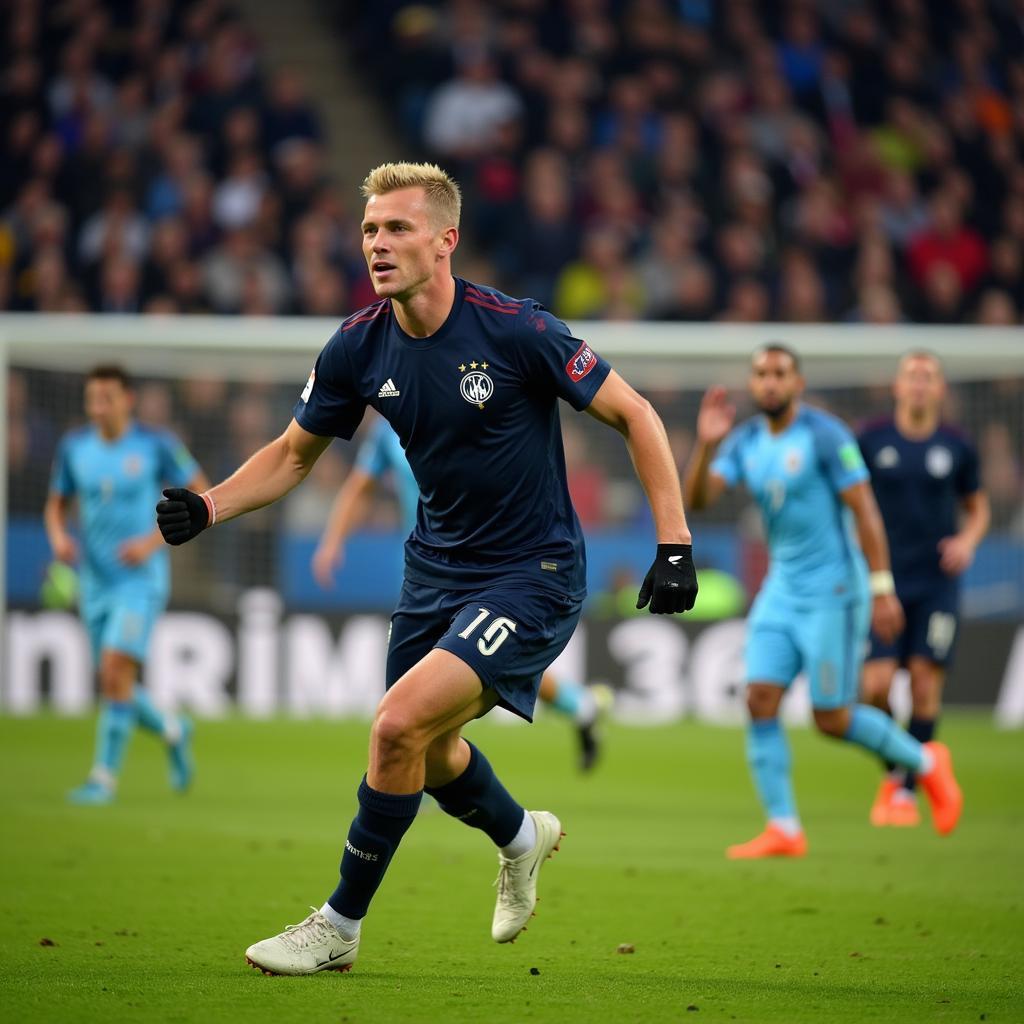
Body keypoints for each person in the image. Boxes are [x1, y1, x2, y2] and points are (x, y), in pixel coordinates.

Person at [156, 161, 698, 975]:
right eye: (370, 229)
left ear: (445, 241)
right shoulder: (355, 345)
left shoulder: (516, 328)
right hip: (434, 573)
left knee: (394, 727)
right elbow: (294, 455)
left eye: (397, 228)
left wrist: (674, 543)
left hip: (533, 571)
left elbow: (637, 413)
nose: (377, 243)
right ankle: (523, 836)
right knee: (426, 753)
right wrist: (209, 505)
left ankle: (338, 926)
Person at [683, 344, 962, 859]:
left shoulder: (825, 435)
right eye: (761, 374)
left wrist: (880, 588)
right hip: (781, 590)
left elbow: (866, 511)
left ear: (798, 383)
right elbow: (697, 500)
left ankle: (925, 765)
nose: (769, 382)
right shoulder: (743, 440)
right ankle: (784, 828)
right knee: (758, 699)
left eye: (779, 374)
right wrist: (704, 446)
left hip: (834, 591)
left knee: (830, 718)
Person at [312, 416, 613, 772]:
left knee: (460, 660)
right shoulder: (385, 430)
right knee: (448, 662)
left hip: (484, 563)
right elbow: (360, 485)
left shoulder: (462, 404)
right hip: (423, 566)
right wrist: (332, 541)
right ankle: (580, 706)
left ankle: (420, 767)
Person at [44, 364, 208, 804]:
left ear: (127, 400)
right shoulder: (75, 448)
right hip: (93, 582)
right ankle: (174, 729)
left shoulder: (157, 445)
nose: (98, 407)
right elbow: (56, 506)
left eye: (107, 398)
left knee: (116, 672)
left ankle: (103, 779)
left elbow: (201, 492)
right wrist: (60, 540)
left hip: (140, 580)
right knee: (115, 684)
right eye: (92, 398)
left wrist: (152, 543)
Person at [858, 352, 989, 827]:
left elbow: (977, 507)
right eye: (911, 376)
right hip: (883, 581)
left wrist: (968, 541)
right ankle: (904, 770)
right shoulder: (870, 440)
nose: (918, 385)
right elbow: (852, 501)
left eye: (927, 378)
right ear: (896, 387)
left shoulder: (956, 445)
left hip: (936, 584)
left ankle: (904, 793)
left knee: (923, 682)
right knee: (873, 688)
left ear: (939, 390)